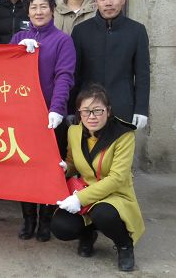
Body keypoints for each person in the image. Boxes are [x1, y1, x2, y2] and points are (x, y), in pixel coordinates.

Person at [51, 83, 144, 272]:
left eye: (97, 110)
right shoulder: (74, 131)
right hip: (85, 189)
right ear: (79, 112)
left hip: (115, 194)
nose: (91, 116)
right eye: (85, 111)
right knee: (61, 226)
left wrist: (79, 199)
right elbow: (73, 163)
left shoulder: (123, 135)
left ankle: (124, 245)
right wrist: (65, 168)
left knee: (103, 214)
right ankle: (88, 234)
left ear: (108, 111)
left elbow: (117, 178)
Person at [9, 0, 75, 242]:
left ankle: (46, 220)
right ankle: (28, 219)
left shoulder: (63, 41)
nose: (38, 12)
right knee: (24, 167)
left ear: (52, 10)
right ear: (28, 11)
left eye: (43, 7)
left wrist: (57, 108)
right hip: (23, 116)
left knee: (50, 169)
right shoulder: (18, 37)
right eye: (34, 7)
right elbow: (4, 73)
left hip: (50, 117)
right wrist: (15, 52)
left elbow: (64, 76)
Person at [71, 0, 150, 128]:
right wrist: (71, 108)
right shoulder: (81, 31)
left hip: (123, 107)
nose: (108, 3)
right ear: (96, 2)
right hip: (88, 108)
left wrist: (141, 109)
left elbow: (142, 75)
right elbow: (74, 74)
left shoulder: (137, 31)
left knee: (122, 144)